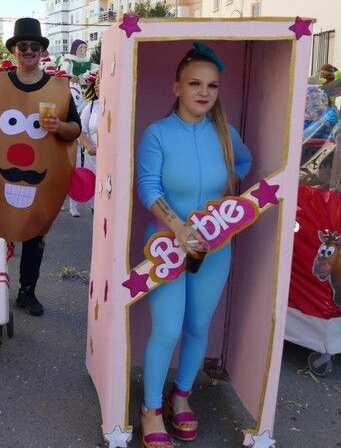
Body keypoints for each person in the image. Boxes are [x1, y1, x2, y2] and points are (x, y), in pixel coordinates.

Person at [135, 42, 252, 446]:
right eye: (195, 84)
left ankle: (180, 395)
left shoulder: (225, 134)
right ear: (177, 88)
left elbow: (244, 161)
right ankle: (151, 408)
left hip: (215, 248)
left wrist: (230, 186)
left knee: (198, 325)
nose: (204, 92)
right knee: (167, 328)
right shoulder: (158, 134)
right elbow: (147, 186)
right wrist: (178, 227)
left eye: (212, 86)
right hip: (165, 248)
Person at [0, 17, 82, 316]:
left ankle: (27, 292)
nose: (28, 50)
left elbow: (76, 130)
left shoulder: (60, 89)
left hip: (41, 179)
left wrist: (60, 126)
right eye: (22, 45)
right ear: (14, 50)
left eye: (34, 46)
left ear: (42, 51)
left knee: (35, 234)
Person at [78, 74, 100, 211]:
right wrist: (88, 146)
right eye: (95, 83)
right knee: (95, 193)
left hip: (108, 158)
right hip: (93, 158)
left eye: (100, 82)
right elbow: (81, 131)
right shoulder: (90, 106)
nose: (96, 86)